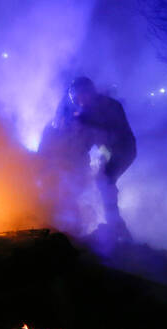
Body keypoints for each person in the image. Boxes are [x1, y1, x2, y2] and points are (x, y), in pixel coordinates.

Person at [39, 77, 136, 240]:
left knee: (104, 179)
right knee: (103, 177)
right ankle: (115, 225)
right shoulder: (85, 111)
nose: (78, 101)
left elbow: (108, 134)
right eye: (75, 98)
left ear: (89, 92)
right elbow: (85, 140)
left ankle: (117, 226)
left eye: (80, 97)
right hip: (108, 149)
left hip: (124, 149)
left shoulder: (109, 106)